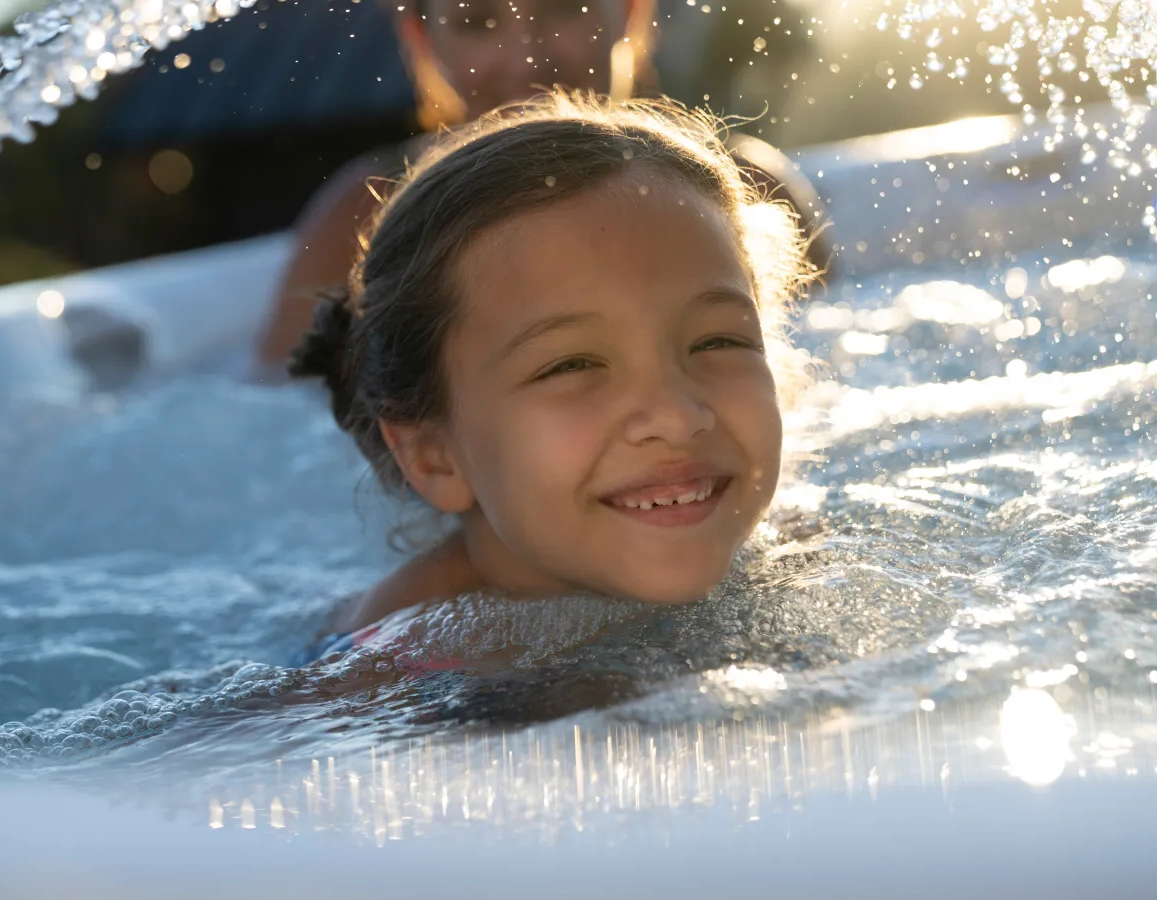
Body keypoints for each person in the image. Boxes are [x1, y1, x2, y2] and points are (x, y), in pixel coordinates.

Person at [289, 93, 814, 657]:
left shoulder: (799, 553)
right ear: (432, 455)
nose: (678, 417)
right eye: (572, 365)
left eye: (718, 341)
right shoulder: (392, 662)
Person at [254, 0, 657, 370]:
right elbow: (277, 407)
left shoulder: (704, 191)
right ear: (422, 37)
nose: (527, 59)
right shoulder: (369, 208)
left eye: (566, 6)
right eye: (477, 22)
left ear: (629, 10)